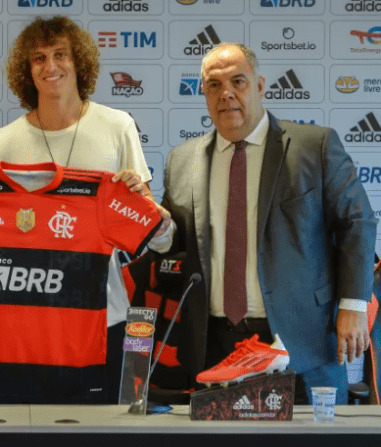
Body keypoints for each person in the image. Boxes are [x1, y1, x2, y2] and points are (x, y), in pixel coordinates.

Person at [157, 42, 376, 404]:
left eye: (238, 82)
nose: (226, 93)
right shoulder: (181, 160)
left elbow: (357, 222)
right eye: (214, 85)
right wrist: (157, 228)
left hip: (303, 342)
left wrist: (352, 306)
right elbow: (174, 242)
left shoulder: (314, 146)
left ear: (260, 86)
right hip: (215, 346)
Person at [0, 16, 170, 403]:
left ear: (78, 61)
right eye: (38, 58)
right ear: (26, 71)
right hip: (28, 325)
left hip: (108, 317)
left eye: (60, 54)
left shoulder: (117, 126)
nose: (50, 67)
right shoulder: (2, 143)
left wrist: (142, 203)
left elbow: (151, 232)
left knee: (108, 430)